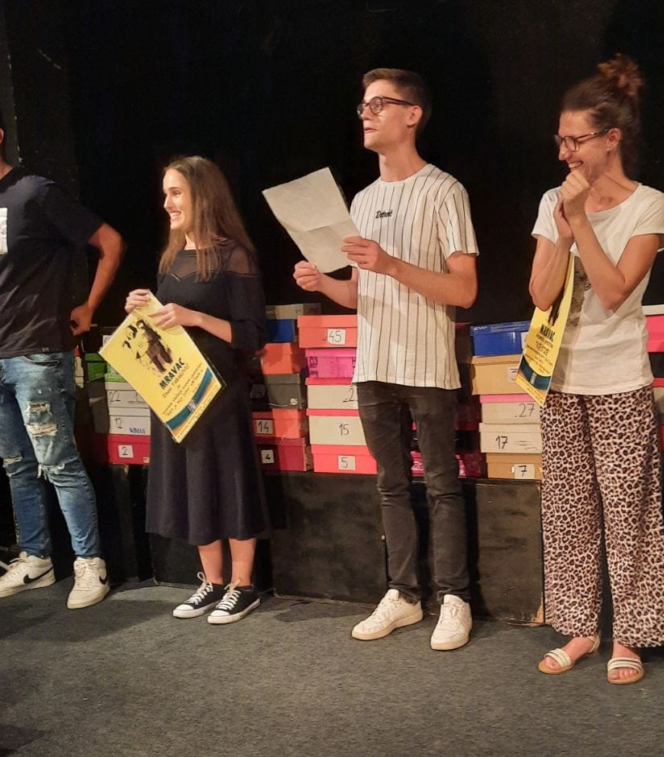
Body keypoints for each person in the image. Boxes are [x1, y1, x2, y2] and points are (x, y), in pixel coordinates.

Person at [293, 68, 479, 651]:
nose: (367, 115)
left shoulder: (444, 191)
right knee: (390, 485)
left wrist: (391, 263)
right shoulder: (364, 199)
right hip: (372, 363)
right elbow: (360, 293)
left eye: (379, 105)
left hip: (426, 363)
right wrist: (323, 283)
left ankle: (454, 596)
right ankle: (403, 592)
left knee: (442, 485)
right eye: (363, 107)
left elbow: (464, 289)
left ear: (412, 114)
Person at [527, 55, 664, 684]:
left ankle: (629, 636)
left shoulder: (650, 206)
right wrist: (562, 230)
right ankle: (580, 628)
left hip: (618, 380)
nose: (565, 153)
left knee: (627, 514)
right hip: (561, 380)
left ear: (611, 138)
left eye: (576, 140)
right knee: (568, 513)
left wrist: (583, 219)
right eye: (561, 140)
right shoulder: (552, 202)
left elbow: (615, 292)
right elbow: (540, 293)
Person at [125, 156, 269, 625]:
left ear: (202, 196)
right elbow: (167, 325)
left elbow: (252, 335)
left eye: (176, 193)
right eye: (165, 194)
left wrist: (196, 318)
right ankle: (212, 581)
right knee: (194, 484)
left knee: (229, 483)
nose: (167, 203)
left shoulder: (233, 255)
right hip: (176, 393)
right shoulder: (171, 258)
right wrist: (144, 306)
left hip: (218, 392)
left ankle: (243, 585)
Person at [0, 111, 125, 609]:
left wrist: (89, 306)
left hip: (36, 350)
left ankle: (90, 562)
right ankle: (36, 557)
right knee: (16, 465)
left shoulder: (34, 192)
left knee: (58, 463)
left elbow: (109, 242)